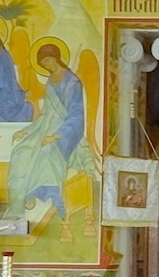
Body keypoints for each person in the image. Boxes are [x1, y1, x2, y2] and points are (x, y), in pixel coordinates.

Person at [5, 42, 98, 218]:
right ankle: (18, 203)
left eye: (49, 60)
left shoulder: (72, 83)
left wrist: (56, 136)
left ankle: (39, 194)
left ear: (56, 58)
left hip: (66, 133)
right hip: (45, 128)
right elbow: (46, 114)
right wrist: (27, 130)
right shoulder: (50, 82)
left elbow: (76, 116)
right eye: (43, 63)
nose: (47, 65)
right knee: (20, 152)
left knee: (46, 152)